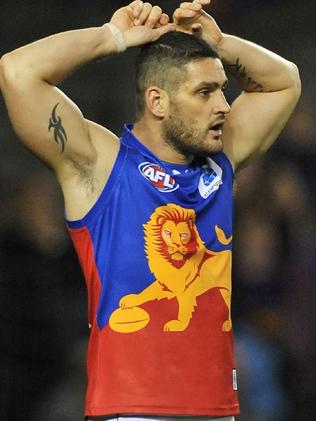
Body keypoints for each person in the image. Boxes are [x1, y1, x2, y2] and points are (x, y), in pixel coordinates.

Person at [0, 0, 301, 420]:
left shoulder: (221, 160)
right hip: (131, 410)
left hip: (219, 410)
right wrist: (112, 37)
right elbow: (17, 71)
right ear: (157, 101)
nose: (224, 106)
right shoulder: (101, 164)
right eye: (204, 92)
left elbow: (285, 81)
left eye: (221, 90)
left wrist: (219, 43)